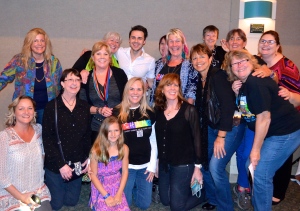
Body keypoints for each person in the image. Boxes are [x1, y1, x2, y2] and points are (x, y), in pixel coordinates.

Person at [224, 49, 300, 211]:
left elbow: (264, 117)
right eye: (235, 63)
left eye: (243, 60)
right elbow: (246, 114)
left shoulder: (255, 82)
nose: (239, 65)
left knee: (260, 172)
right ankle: (261, 198)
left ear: (251, 62)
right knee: (249, 166)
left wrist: (256, 150)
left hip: (286, 131)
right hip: (275, 133)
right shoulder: (244, 86)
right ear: (231, 69)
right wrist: (237, 94)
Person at [190, 44, 245, 211]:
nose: (198, 61)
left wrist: (221, 137)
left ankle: (225, 207)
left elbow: (228, 107)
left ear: (210, 58)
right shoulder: (200, 80)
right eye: (194, 58)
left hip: (229, 128)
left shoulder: (217, 76)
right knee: (206, 163)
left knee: (216, 167)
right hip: (211, 127)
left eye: (201, 57)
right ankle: (213, 199)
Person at [258, 30, 300, 205]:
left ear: (277, 46)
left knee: (281, 159)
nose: (266, 45)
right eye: (263, 41)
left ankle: (278, 192)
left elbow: (298, 97)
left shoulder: (286, 65)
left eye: (270, 42)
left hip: (287, 122)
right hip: (268, 120)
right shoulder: (258, 63)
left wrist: (289, 93)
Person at [154, 73, 205, 211]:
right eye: (168, 85)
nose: (172, 88)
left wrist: (197, 168)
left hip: (183, 164)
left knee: (176, 207)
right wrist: (157, 162)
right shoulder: (158, 110)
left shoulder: (189, 110)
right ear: (162, 89)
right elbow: (157, 139)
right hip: (165, 163)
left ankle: (206, 193)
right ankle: (183, 189)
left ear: (179, 89)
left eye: (175, 85)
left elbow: (197, 140)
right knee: (165, 201)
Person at [42, 68, 91, 210]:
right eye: (70, 79)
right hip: (57, 164)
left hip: (76, 162)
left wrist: (88, 157)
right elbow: (47, 139)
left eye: (77, 80)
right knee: (56, 204)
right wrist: (61, 165)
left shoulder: (84, 107)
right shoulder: (52, 107)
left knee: (72, 201)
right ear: (62, 84)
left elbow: (87, 135)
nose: (74, 83)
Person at [0, 28, 62, 124]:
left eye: (42, 40)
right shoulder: (19, 60)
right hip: (24, 112)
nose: (39, 43)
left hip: (48, 110)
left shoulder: (53, 62)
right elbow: (3, 78)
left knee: (44, 138)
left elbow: (61, 85)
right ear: (29, 43)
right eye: (35, 41)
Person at [0, 96, 51, 211]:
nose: (26, 112)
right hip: (12, 194)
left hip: (37, 190)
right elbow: (2, 177)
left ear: (34, 112)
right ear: (14, 112)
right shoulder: (5, 136)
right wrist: (21, 197)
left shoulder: (39, 130)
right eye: (21, 108)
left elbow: (43, 158)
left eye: (30, 108)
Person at [113, 77, 157, 210]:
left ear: (144, 92)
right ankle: (129, 186)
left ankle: (135, 186)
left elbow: (154, 141)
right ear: (126, 91)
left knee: (144, 205)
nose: (135, 92)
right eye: (132, 89)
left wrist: (152, 166)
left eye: (139, 89)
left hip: (145, 166)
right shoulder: (116, 113)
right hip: (125, 166)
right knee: (123, 203)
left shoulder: (150, 114)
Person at [79, 41, 127, 144]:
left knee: (116, 159)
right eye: (98, 53)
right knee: (98, 159)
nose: (102, 57)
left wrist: (115, 111)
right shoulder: (86, 77)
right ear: (92, 57)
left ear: (110, 58)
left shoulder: (120, 74)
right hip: (96, 128)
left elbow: (127, 99)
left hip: (118, 126)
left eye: (106, 54)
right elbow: (82, 105)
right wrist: (99, 110)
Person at [89, 116, 130, 211]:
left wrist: (119, 193)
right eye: (109, 131)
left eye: (116, 130)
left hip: (116, 184)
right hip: (101, 187)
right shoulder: (96, 150)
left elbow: (125, 172)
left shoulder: (124, 148)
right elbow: (93, 175)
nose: (113, 134)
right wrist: (106, 196)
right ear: (104, 132)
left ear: (120, 132)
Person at [150, 28, 197, 105]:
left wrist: (185, 112)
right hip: (158, 111)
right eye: (171, 41)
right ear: (167, 45)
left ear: (183, 44)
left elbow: (192, 92)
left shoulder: (190, 66)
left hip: (180, 111)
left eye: (177, 41)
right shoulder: (159, 64)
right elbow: (153, 89)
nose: (174, 45)